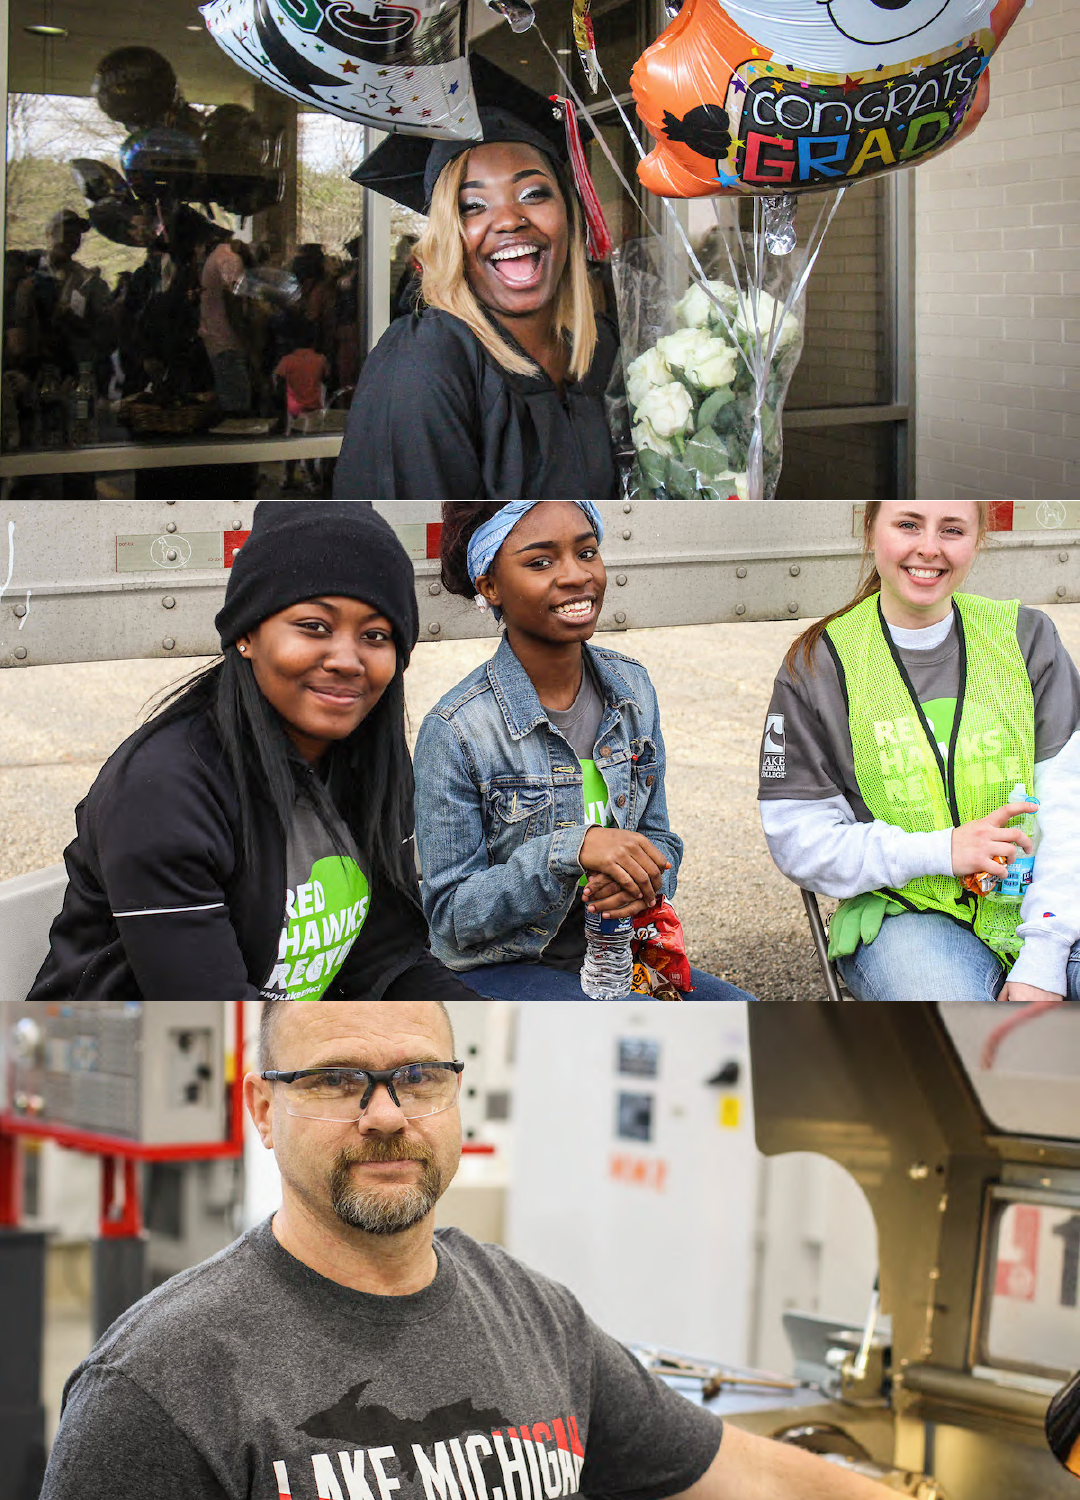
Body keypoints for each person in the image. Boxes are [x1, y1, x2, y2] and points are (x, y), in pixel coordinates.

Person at [41, 999, 899, 1500]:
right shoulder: (157, 1386)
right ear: (264, 1109)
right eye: (339, 1078)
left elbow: (746, 1474)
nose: (387, 1113)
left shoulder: (532, 1314)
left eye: (419, 1077)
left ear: (455, 1094)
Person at [27, 503, 474, 1015]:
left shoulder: (365, 760)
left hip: (285, 1053)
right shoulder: (163, 791)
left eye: (375, 635)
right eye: (314, 626)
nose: (347, 660)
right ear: (245, 632)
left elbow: (385, 960)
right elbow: (219, 1022)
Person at [413, 501, 756, 1003]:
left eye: (587, 551)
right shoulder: (457, 729)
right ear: (490, 587)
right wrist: (570, 850)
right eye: (540, 562)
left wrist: (644, 880)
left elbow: (659, 837)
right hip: (502, 966)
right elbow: (450, 913)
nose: (576, 575)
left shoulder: (632, 687)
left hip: (614, 952)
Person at [757, 501, 1080, 1003]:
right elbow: (799, 841)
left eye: (952, 529)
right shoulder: (818, 665)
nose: (929, 547)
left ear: (978, 540)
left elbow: (1071, 807)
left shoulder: (1027, 639)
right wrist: (940, 849)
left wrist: (1045, 951)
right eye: (908, 524)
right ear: (870, 531)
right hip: (908, 913)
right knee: (955, 1048)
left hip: (1045, 905)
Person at [333, 64, 619, 500]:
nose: (508, 219)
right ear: (448, 233)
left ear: (569, 212)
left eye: (533, 194)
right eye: (472, 205)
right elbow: (418, 548)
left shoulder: (603, 350)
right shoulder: (425, 363)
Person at [199, 235, 253, 414]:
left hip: (217, 338)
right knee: (237, 405)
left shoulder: (216, 256)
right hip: (227, 340)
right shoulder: (229, 259)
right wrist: (244, 337)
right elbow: (233, 301)